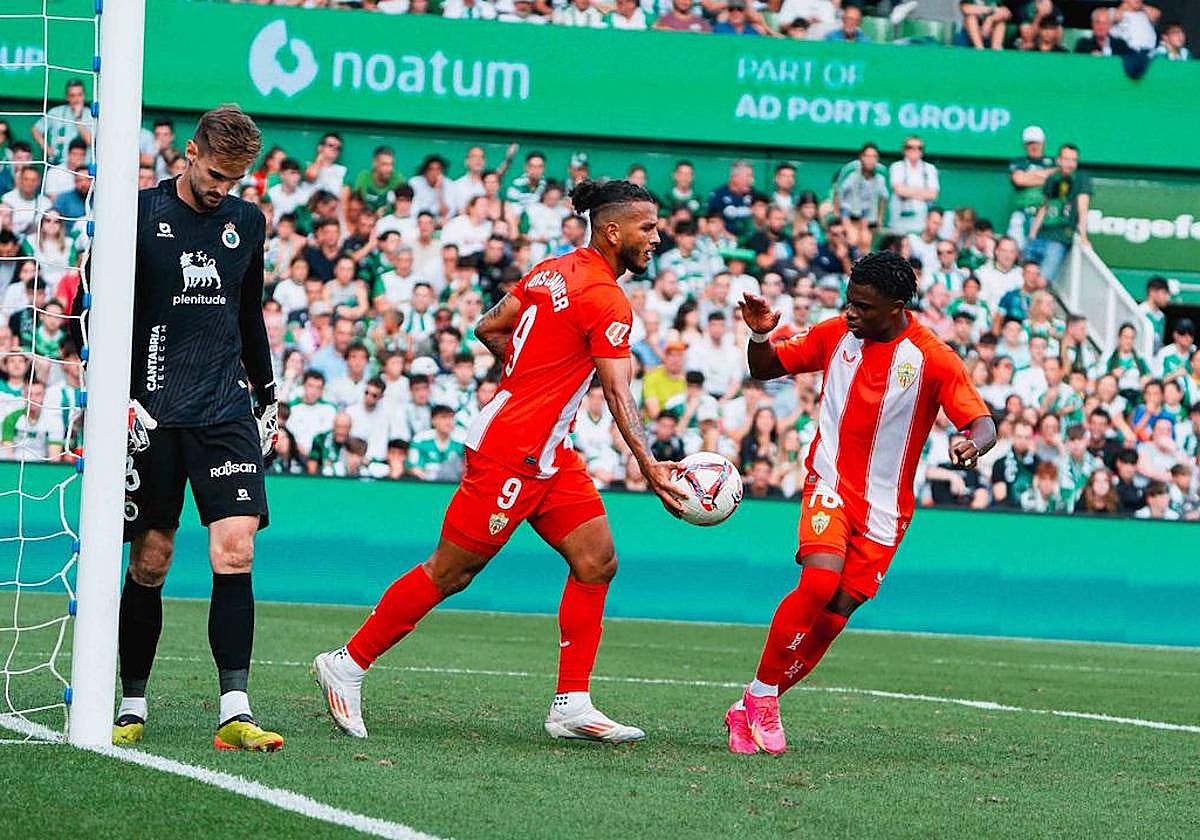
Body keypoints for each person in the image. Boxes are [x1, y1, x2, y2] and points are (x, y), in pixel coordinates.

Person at [312, 180, 686, 744]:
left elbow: (487, 325)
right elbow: (617, 392)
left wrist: (528, 375)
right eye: (648, 228)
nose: (656, 237)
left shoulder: (551, 270)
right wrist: (650, 464)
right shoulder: (607, 299)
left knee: (596, 561)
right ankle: (347, 663)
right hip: (511, 451)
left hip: (550, 451)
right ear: (614, 231)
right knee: (451, 572)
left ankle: (571, 704)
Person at [726, 251, 996, 754]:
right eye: (849, 303)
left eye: (863, 308)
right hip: (828, 482)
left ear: (897, 306)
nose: (851, 314)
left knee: (833, 616)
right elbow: (766, 367)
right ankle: (763, 697)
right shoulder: (835, 335)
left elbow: (983, 424)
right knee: (819, 581)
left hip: (886, 509)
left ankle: (749, 704)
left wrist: (971, 444)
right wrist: (761, 334)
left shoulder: (933, 358)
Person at [110, 106, 282, 752]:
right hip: (153, 413)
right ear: (190, 152)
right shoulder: (139, 216)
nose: (221, 189)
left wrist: (267, 394)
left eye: (233, 180)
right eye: (214, 174)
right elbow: (94, 307)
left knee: (235, 550)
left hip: (224, 412)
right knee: (151, 561)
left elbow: (249, 312)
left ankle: (234, 711)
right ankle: (131, 706)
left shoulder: (246, 223)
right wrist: (119, 396)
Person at [1026, 144, 1091, 284]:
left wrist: (1084, 237)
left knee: (1042, 281)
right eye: (1067, 159)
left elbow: (1083, 209)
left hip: (1060, 237)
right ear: (1059, 160)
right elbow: (1044, 206)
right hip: (1041, 235)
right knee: (1026, 278)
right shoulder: (1053, 179)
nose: (1070, 163)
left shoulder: (1081, 179)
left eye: (1074, 160)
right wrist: (1033, 233)